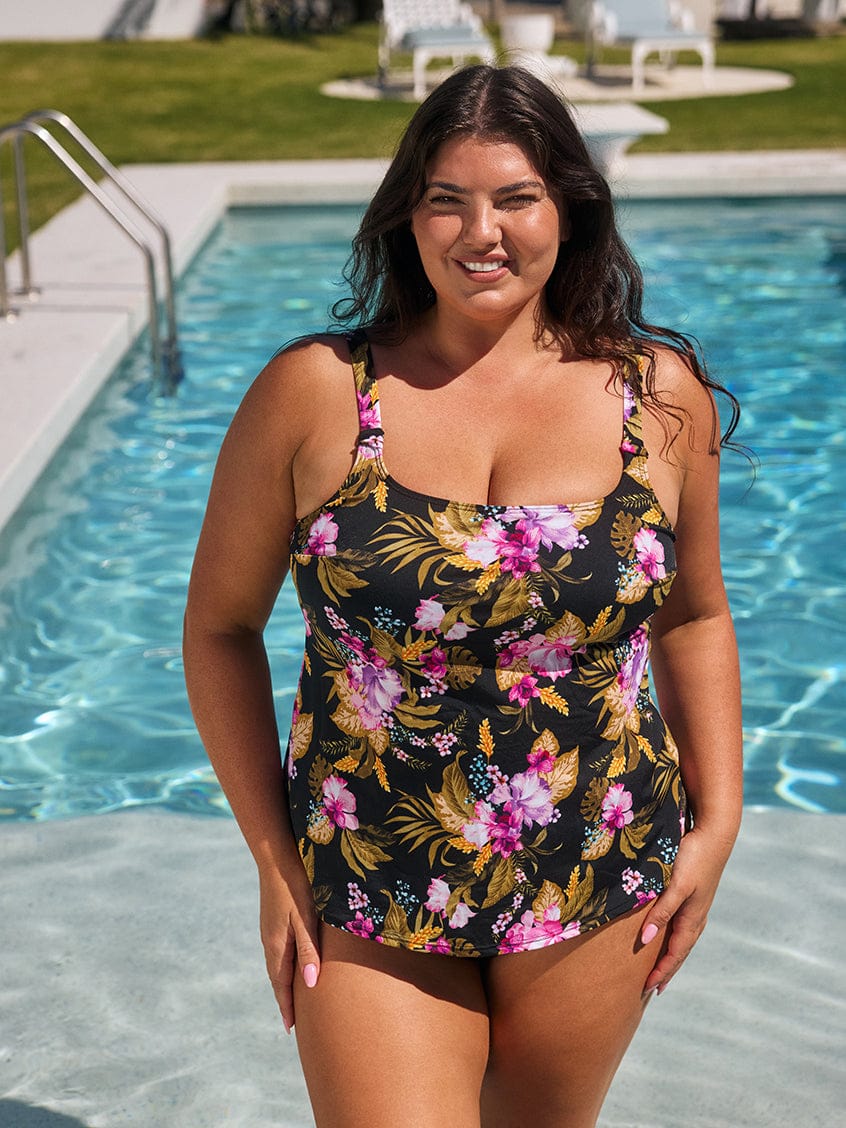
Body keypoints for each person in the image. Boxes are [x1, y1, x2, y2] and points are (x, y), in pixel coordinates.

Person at [183, 64, 743, 1128]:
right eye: (447, 198)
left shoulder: (654, 397)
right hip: (371, 867)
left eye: (516, 198)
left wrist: (718, 825)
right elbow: (218, 628)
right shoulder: (317, 392)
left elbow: (695, 614)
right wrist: (272, 854)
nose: (480, 232)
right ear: (408, 213)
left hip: (598, 858)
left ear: (569, 208)